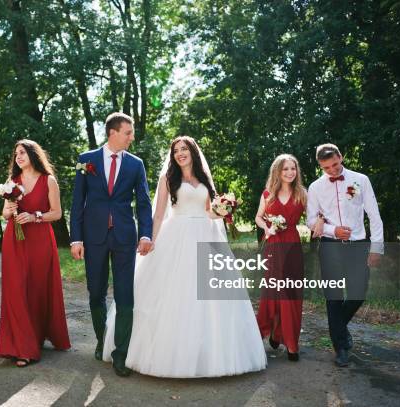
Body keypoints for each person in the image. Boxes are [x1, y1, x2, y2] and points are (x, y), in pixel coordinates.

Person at [103, 135, 267, 378]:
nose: (180, 153)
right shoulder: (168, 179)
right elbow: (158, 215)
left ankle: (210, 356)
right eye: (176, 150)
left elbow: (208, 212)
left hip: (206, 236)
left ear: (193, 151)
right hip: (176, 235)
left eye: (184, 149)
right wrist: (150, 240)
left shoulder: (203, 179)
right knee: (174, 294)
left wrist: (223, 210)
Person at [70, 112, 153, 377]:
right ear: (113, 133)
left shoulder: (135, 164)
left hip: (125, 237)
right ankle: (101, 340)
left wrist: (146, 234)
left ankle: (121, 353)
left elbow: (143, 201)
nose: (132, 137)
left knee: (125, 295)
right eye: (128, 133)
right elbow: (77, 202)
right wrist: (76, 238)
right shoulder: (87, 160)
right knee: (96, 293)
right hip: (93, 237)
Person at [306, 143, 383, 367]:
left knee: (358, 293)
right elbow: (311, 220)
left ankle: (338, 328)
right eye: (327, 168)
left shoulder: (360, 180)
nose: (333, 171)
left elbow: (374, 214)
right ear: (320, 166)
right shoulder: (315, 187)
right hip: (330, 245)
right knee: (334, 298)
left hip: (358, 244)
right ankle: (340, 347)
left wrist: (377, 247)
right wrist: (332, 230)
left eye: (335, 164)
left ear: (341, 156)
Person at [0, 139, 71, 367]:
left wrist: (35, 216)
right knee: (16, 289)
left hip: (40, 240)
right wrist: (9, 210)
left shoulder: (49, 180)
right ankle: (21, 348)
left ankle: (35, 336)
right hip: (14, 241)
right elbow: (4, 215)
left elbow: (57, 213)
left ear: (33, 155)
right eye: (16, 153)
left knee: (37, 289)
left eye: (23, 152)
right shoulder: (12, 181)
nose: (18, 156)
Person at [254, 154, 307, 361]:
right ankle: (272, 329)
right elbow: (259, 217)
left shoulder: (302, 193)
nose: (290, 172)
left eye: (293, 168)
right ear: (278, 171)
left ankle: (290, 342)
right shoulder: (268, 194)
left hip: (293, 246)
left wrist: (320, 221)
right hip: (274, 246)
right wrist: (267, 226)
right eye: (285, 169)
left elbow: (313, 216)